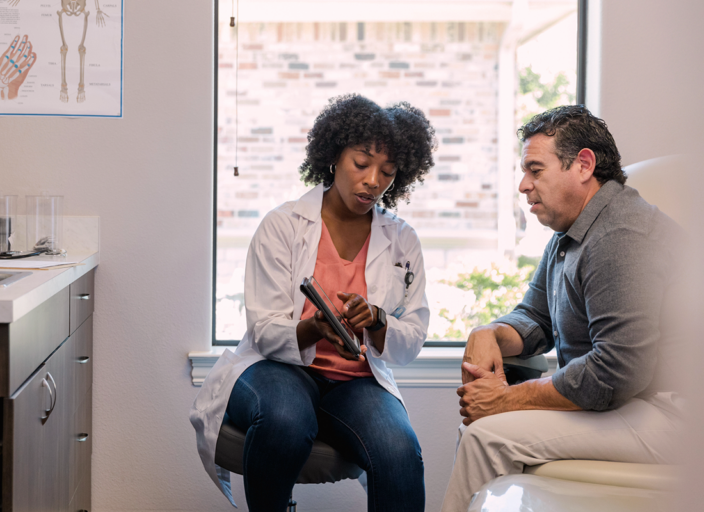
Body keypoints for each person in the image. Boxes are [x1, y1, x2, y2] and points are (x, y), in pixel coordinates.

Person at [190, 94, 437, 511]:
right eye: (362, 164)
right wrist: (314, 327)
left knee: (399, 451)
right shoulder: (284, 226)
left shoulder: (402, 239)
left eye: (388, 172)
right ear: (333, 157)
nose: (374, 181)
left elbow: (411, 337)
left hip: (356, 381)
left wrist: (376, 321)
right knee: (285, 421)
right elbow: (265, 331)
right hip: (278, 368)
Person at [441, 105, 685, 512]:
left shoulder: (620, 234)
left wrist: (505, 399)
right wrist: (488, 333)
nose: (523, 185)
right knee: (485, 427)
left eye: (535, 170)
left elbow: (616, 371)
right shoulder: (570, 231)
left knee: (486, 435)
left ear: (583, 165)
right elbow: (536, 318)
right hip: (632, 402)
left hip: (671, 413)